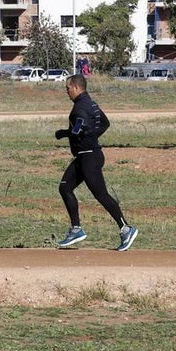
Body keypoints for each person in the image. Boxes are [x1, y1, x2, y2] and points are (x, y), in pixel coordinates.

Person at [54, 74, 137, 251]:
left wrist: (63, 133)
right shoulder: (91, 103)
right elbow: (105, 123)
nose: (66, 91)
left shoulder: (80, 107)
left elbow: (78, 128)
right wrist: (90, 135)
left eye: (67, 88)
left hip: (89, 157)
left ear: (76, 88)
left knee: (101, 195)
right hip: (85, 155)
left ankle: (126, 229)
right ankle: (76, 230)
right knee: (65, 187)